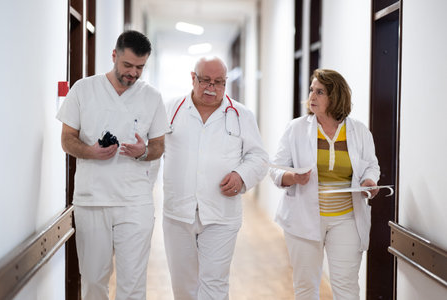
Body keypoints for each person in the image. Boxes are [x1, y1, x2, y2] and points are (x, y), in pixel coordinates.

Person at [56, 30, 169, 300]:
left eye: (140, 67)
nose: (133, 73)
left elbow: (159, 146)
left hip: (135, 201)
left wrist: (143, 152)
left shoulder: (152, 97)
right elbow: (67, 139)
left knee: (132, 285)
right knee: (94, 281)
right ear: (114, 56)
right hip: (92, 200)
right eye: (127, 65)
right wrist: (91, 151)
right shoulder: (84, 89)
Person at [162, 56, 268, 299]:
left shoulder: (242, 115)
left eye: (219, 82)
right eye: (205, 81)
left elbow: (259, 158)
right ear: (192, 78)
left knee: (214, 284)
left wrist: (241, 176)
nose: (211, 88)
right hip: (178, 213)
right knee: (183, 286)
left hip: (221, 214)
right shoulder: (170, 109)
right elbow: (153, 150)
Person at [270, 69, 380, 300]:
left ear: (336, 97)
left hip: (346, 218)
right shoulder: (296, 128)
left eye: (320, 92)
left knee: (346, 286)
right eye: (311, 90)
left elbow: (371, 164)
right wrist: (293, 178)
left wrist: (369, 181)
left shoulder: (358, 131)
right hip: (304, 217)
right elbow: (276, 168)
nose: (312, 96)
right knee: (306, 286)